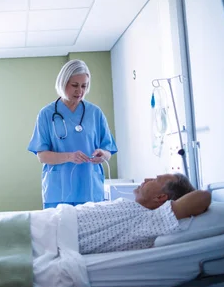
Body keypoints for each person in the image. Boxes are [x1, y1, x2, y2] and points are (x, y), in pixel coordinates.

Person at [28, 59, 117, 208]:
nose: (80, 91)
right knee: (59, 231)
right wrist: (70, 156)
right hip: (58, 190)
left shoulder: (95, 113)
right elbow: (42, 156)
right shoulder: (46, 114)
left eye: (84, 86)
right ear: (63, 83)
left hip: (90, 188)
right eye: (74, 85)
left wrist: (103, 155)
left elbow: (108, 151)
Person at [75, 173, 209, 255]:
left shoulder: (150, 220)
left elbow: (203, 197)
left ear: (160, 197)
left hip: (60, 234)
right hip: (59, 218)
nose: (146, 179)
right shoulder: (133, 207)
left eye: (155, 180)